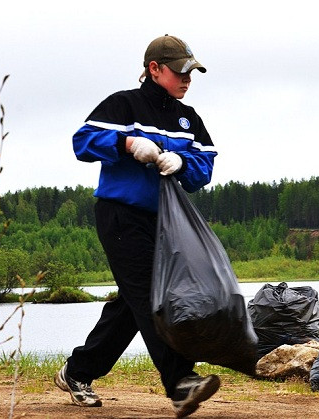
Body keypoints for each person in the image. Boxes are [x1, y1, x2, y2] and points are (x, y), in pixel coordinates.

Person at [54, 34, 220, 418]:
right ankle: (181, 383)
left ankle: (77, 372)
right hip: (120, 215)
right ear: (154, 69)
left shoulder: (188, 118)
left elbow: (205, 167)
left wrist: (182, 163)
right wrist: (128, 144)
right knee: (151, 295)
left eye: (191, 73)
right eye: (180, 72)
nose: (188, 80)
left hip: (165, 221)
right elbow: (83, 142)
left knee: (132, 304)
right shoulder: (123, 103)